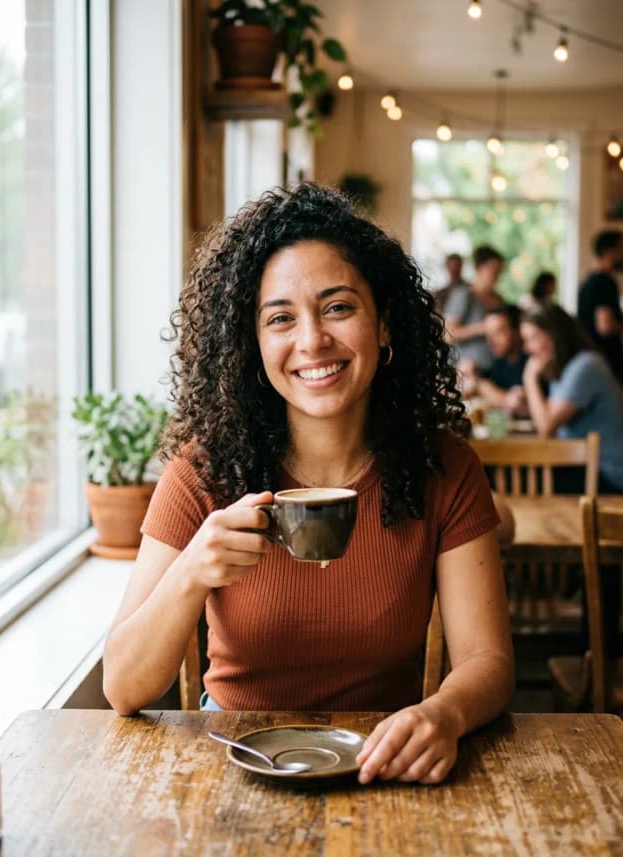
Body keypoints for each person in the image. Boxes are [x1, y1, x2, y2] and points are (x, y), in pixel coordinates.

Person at [102, 183, 514, 786]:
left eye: (339, 307)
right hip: (230, 764)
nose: (312, 340)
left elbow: (489, 661)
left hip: (384, 763)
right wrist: (192, 570)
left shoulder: (444, 468)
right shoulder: (201, 473)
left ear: (384, 324)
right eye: (280, 319)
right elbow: (122, 687)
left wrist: (443, 716)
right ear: (252, 344)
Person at [521, 304, 623, 493]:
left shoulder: (585, 365)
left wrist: (529, 378)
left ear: (555, 334)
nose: (528, 348)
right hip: (583, 465)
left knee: (521, 481)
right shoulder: (566, 366)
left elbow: (546, 427)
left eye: (534, 338)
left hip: (609, 475)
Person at [577, 229, 623, 388]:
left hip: (592, 357)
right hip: (605, 359)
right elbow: (605, 326)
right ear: (610, 252)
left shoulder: (587, 282)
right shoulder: (604, 283)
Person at [444, 245, 505, 373]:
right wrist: (484, 327)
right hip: (466, 371)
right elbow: (447, 334)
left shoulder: (499, 299)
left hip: (494, 370)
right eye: (494, 270)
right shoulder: (464, 295)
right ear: (480, 268)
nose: (497, 276)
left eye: (500, 271)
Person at [461, 305, 528, 415]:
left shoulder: (531, 362)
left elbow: (512, 403)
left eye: (498, 332)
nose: (491, 341)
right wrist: (473, 373)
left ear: (517, 330)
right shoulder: (501, 362)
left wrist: (478, 383)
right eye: (488, 334)